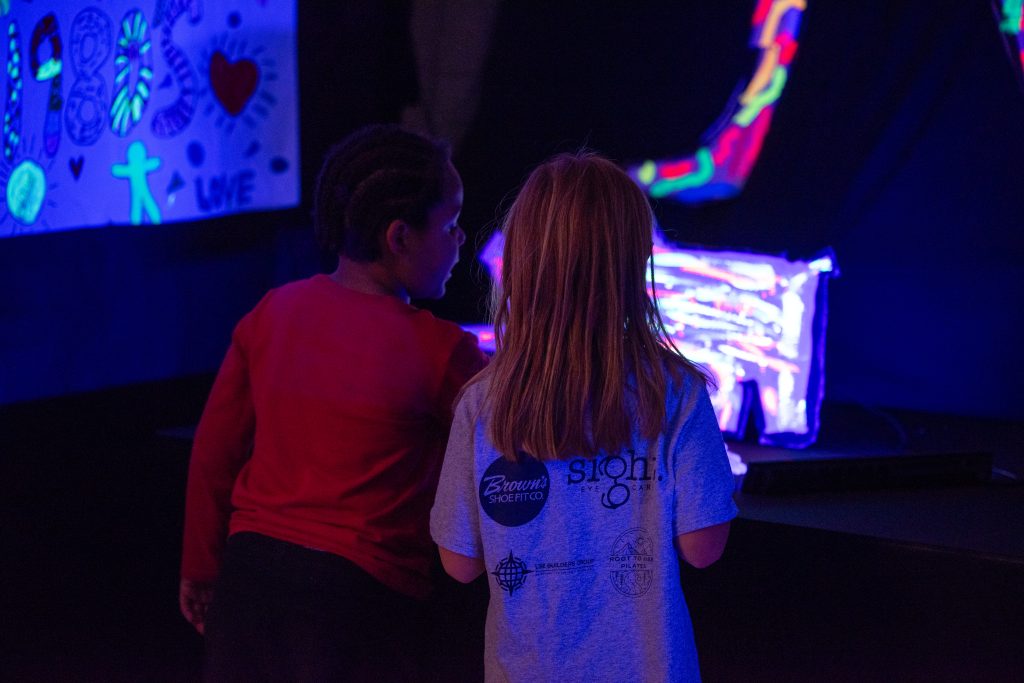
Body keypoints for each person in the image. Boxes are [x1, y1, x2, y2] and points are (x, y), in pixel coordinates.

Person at [178, 124, 488, 681]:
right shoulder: (442, 350)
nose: (461, 239)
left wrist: (201, 568)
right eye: (450, 224)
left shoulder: (270, 313)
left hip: (249, 586)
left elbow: (213, 453)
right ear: (400, 237)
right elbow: (519, 436)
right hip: (356, 606)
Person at [430, 152, 738, 681]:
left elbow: (459, 564)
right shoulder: (677, 392)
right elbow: (703, 548)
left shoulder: (481, 401)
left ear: (521, 262)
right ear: (636, 261)